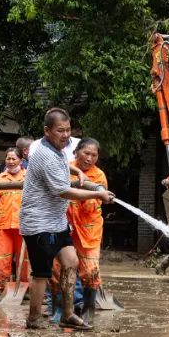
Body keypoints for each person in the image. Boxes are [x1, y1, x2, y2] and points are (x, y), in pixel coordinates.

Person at [21, 108, 114, 330]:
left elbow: (64, 167)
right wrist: (97, 193)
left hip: (56, 222)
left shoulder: (59, 150)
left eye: (68, 130)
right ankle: (33, 319)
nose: (65, 135)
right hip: (39, 224)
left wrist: (77, 173)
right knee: (42, 274)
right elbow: (64, 192)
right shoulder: (44, 155)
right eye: (59, 130)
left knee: (71, 262)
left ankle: (68, 313)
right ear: (47, 131)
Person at [53, 137, 108, 324]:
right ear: (76, 152)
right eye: (86, 153)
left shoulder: (99, 176)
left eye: (94, 155)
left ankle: (88, 310)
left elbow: (93, 201)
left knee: (91, 271)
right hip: (64, 226)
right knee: (58, 269)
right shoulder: (64, 168)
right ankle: (59, 310)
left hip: (89, 230)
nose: (89, 158)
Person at [0, 147, 27, 302]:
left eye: (13, 159)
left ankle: (24, 287)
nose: (10, 162)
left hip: (23, 225)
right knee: (1, 258)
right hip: (2, 224)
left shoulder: (28, 177)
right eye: (8, 159)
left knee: (25, 259)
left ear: (21, 160)